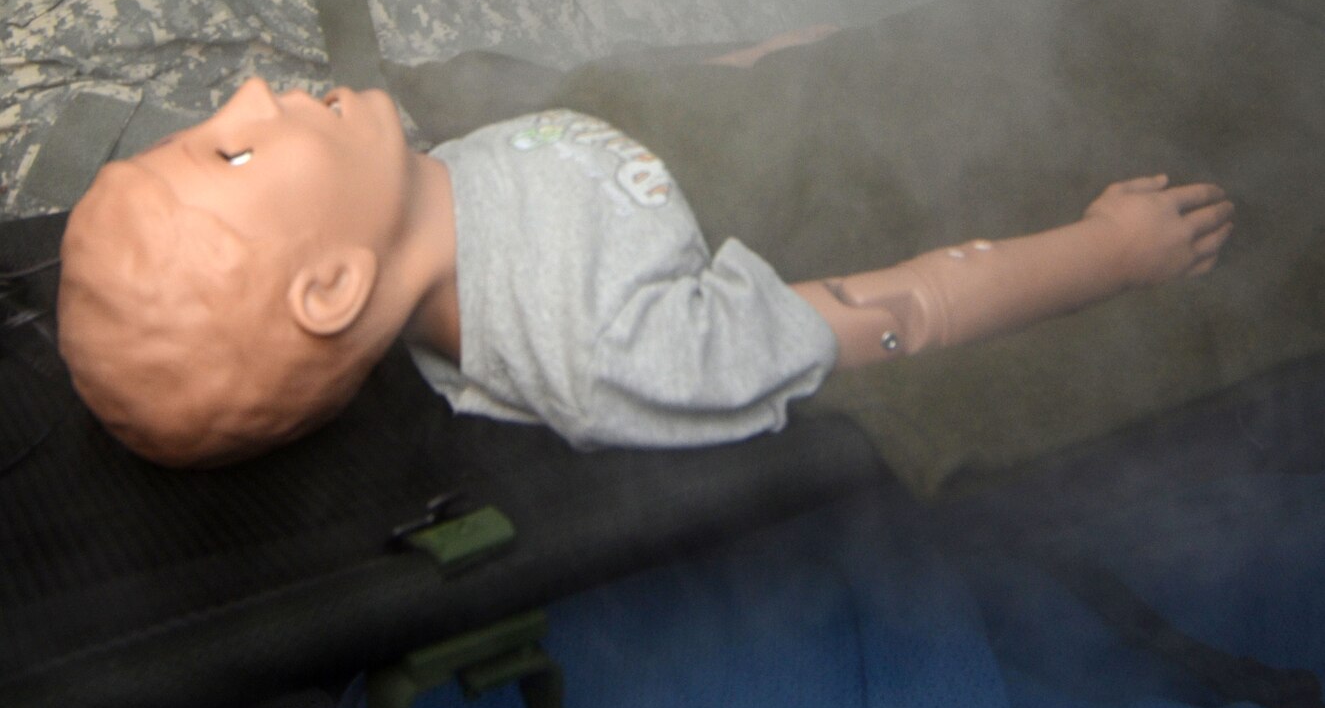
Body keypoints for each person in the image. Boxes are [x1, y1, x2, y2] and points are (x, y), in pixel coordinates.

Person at [55, 74, 1231, 467]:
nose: (248, 94)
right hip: (947, 158)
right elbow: (901, 311)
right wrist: (1108, 252)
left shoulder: (417, 180)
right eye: (235, 146)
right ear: (330, 289)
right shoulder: (610, 346)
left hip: (836, 90)